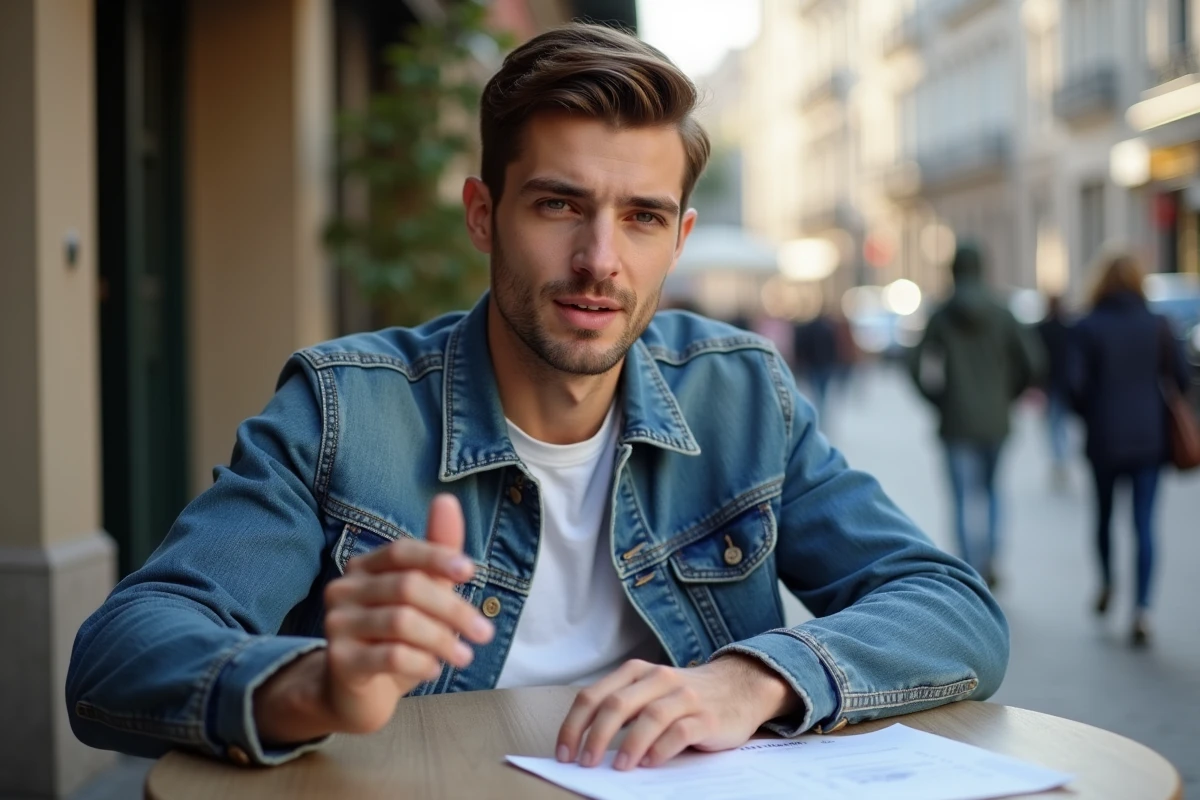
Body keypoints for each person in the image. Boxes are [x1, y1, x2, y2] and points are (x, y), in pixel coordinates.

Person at [67, 25, 1007, 772]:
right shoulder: (345, 410)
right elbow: (118, 656)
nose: (600, 259)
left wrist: (754, 677)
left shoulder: (740, 395)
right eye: (559, 205)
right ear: (484, 213)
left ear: (678, 239)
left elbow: (951, 608)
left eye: (640, 218)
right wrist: (314, 687)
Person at [1068, 252, 1190, 647]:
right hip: (1148, 438)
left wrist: (1094, 410)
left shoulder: (1088, 326)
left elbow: (1074, 387)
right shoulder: (1158, 325)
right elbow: (1182, 381)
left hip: (1104, 437)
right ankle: (1143, 608)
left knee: (1103, 518)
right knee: (1144, 524)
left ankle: (1106, 582)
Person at [908, 243, 1044, 587]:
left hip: (956, 421)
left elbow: (913, 362)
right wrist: (1007, 395)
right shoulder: (1003, 312)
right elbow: (1035, 363)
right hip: (996, 420)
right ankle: (992, 557)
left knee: (961, 498)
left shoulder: (941, 314)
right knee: (994, 490)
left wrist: (937, 398)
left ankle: (969, 569)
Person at [1036, 296, 1074, 488]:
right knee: (1061, 425)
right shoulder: (1069, 330)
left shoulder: (1041, 329)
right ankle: (1061, 460)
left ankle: (1059, 461)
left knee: (1053, 426)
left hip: (1050, 385)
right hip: (1064, 384)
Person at [792, 310, 840, 422]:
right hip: (824, 364)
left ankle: (819, 408)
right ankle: (821, 408)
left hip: (814, 364)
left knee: (816, 388)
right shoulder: (828, 329)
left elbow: (803, 347)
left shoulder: (810, 329)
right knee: (822, 389)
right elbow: (833, 347)